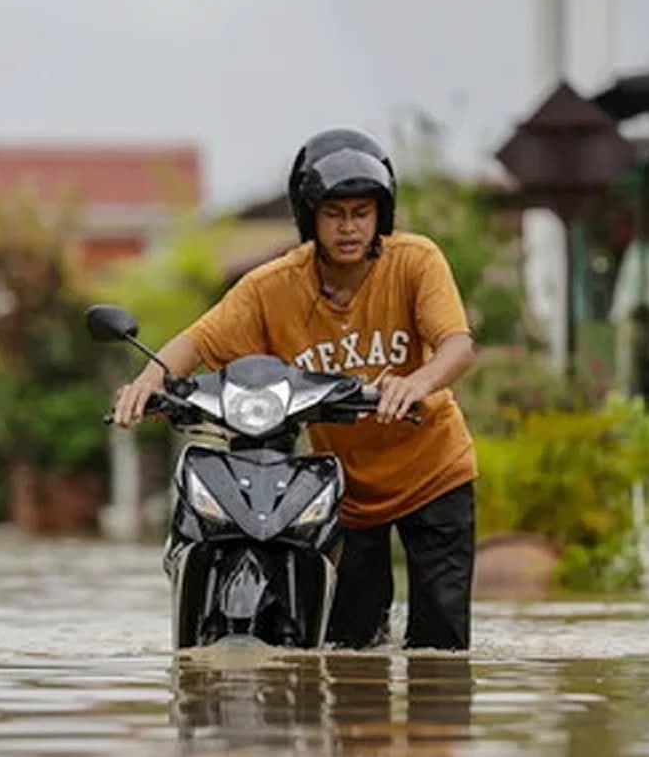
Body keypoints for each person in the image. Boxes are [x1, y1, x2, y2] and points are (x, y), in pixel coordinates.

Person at [112, 127, 478, 651]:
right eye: (334, 214)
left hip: (434, 472)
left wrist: (417, 382)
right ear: (310, 218)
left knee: (439, 647)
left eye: (361, 212)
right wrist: (148, 382)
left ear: (381, 215)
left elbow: (457, 346)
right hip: (348, 489)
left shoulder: (416, 261)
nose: (349, 227)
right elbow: (198, 340)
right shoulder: (273, 286)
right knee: (349, 647)